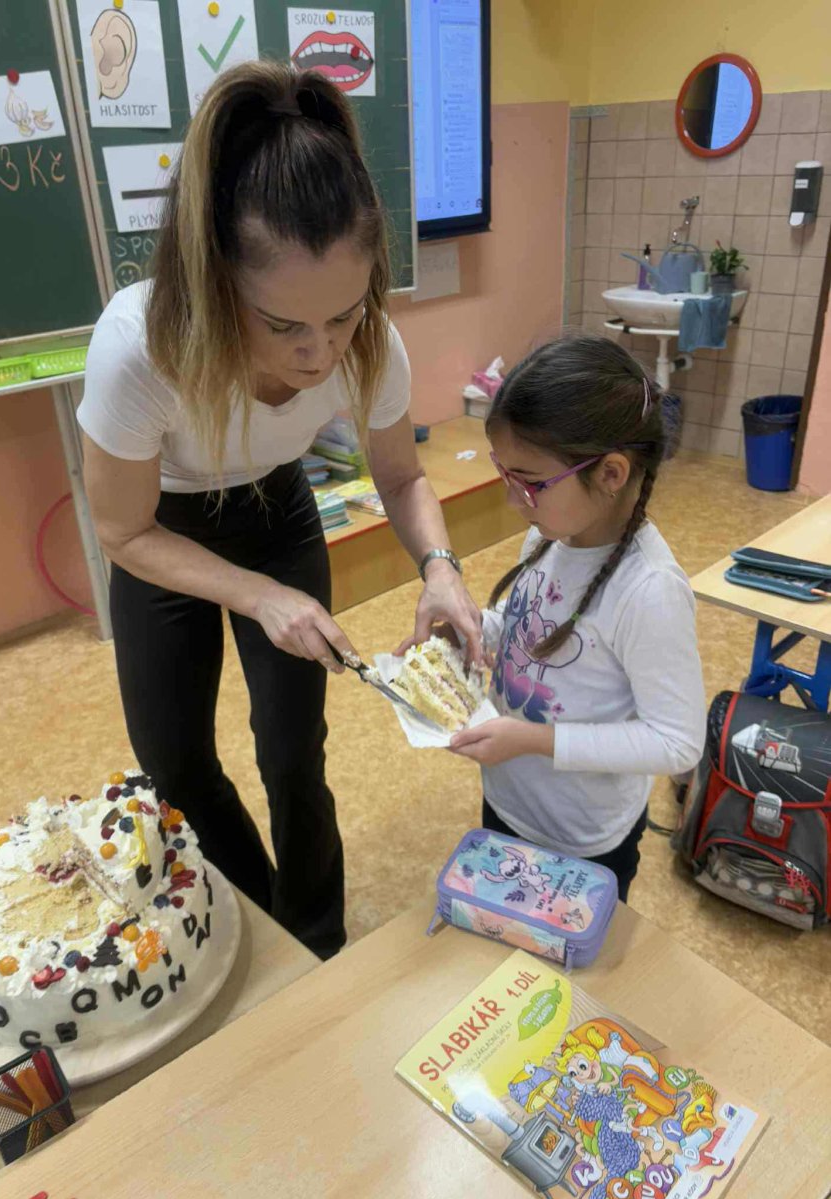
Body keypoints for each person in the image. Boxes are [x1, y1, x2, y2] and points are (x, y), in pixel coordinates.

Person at [78, 61, 481, 959]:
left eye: (343, 316)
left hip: (279, 515)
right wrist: (259, 597)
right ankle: (258, 928)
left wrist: (440, 569)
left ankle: (316, 939)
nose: (320, 352)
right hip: (165, 534)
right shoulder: (140, 347)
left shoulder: (372, 345)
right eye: (285, 325)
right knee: (175, 762)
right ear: (215, 281)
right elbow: (122, 530)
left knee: (294, 749)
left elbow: (402, 478)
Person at [449, 335, 706, 901]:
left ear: (611, 473)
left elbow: (677, 743)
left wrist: (533, 740)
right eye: (504, 475)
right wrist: (470, 631)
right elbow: (525, 628)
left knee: (570, 955)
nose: (513, 500)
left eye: (529, 482)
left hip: (584, 839)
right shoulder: (552, 535)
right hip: (509, 799)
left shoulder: (649, 591)